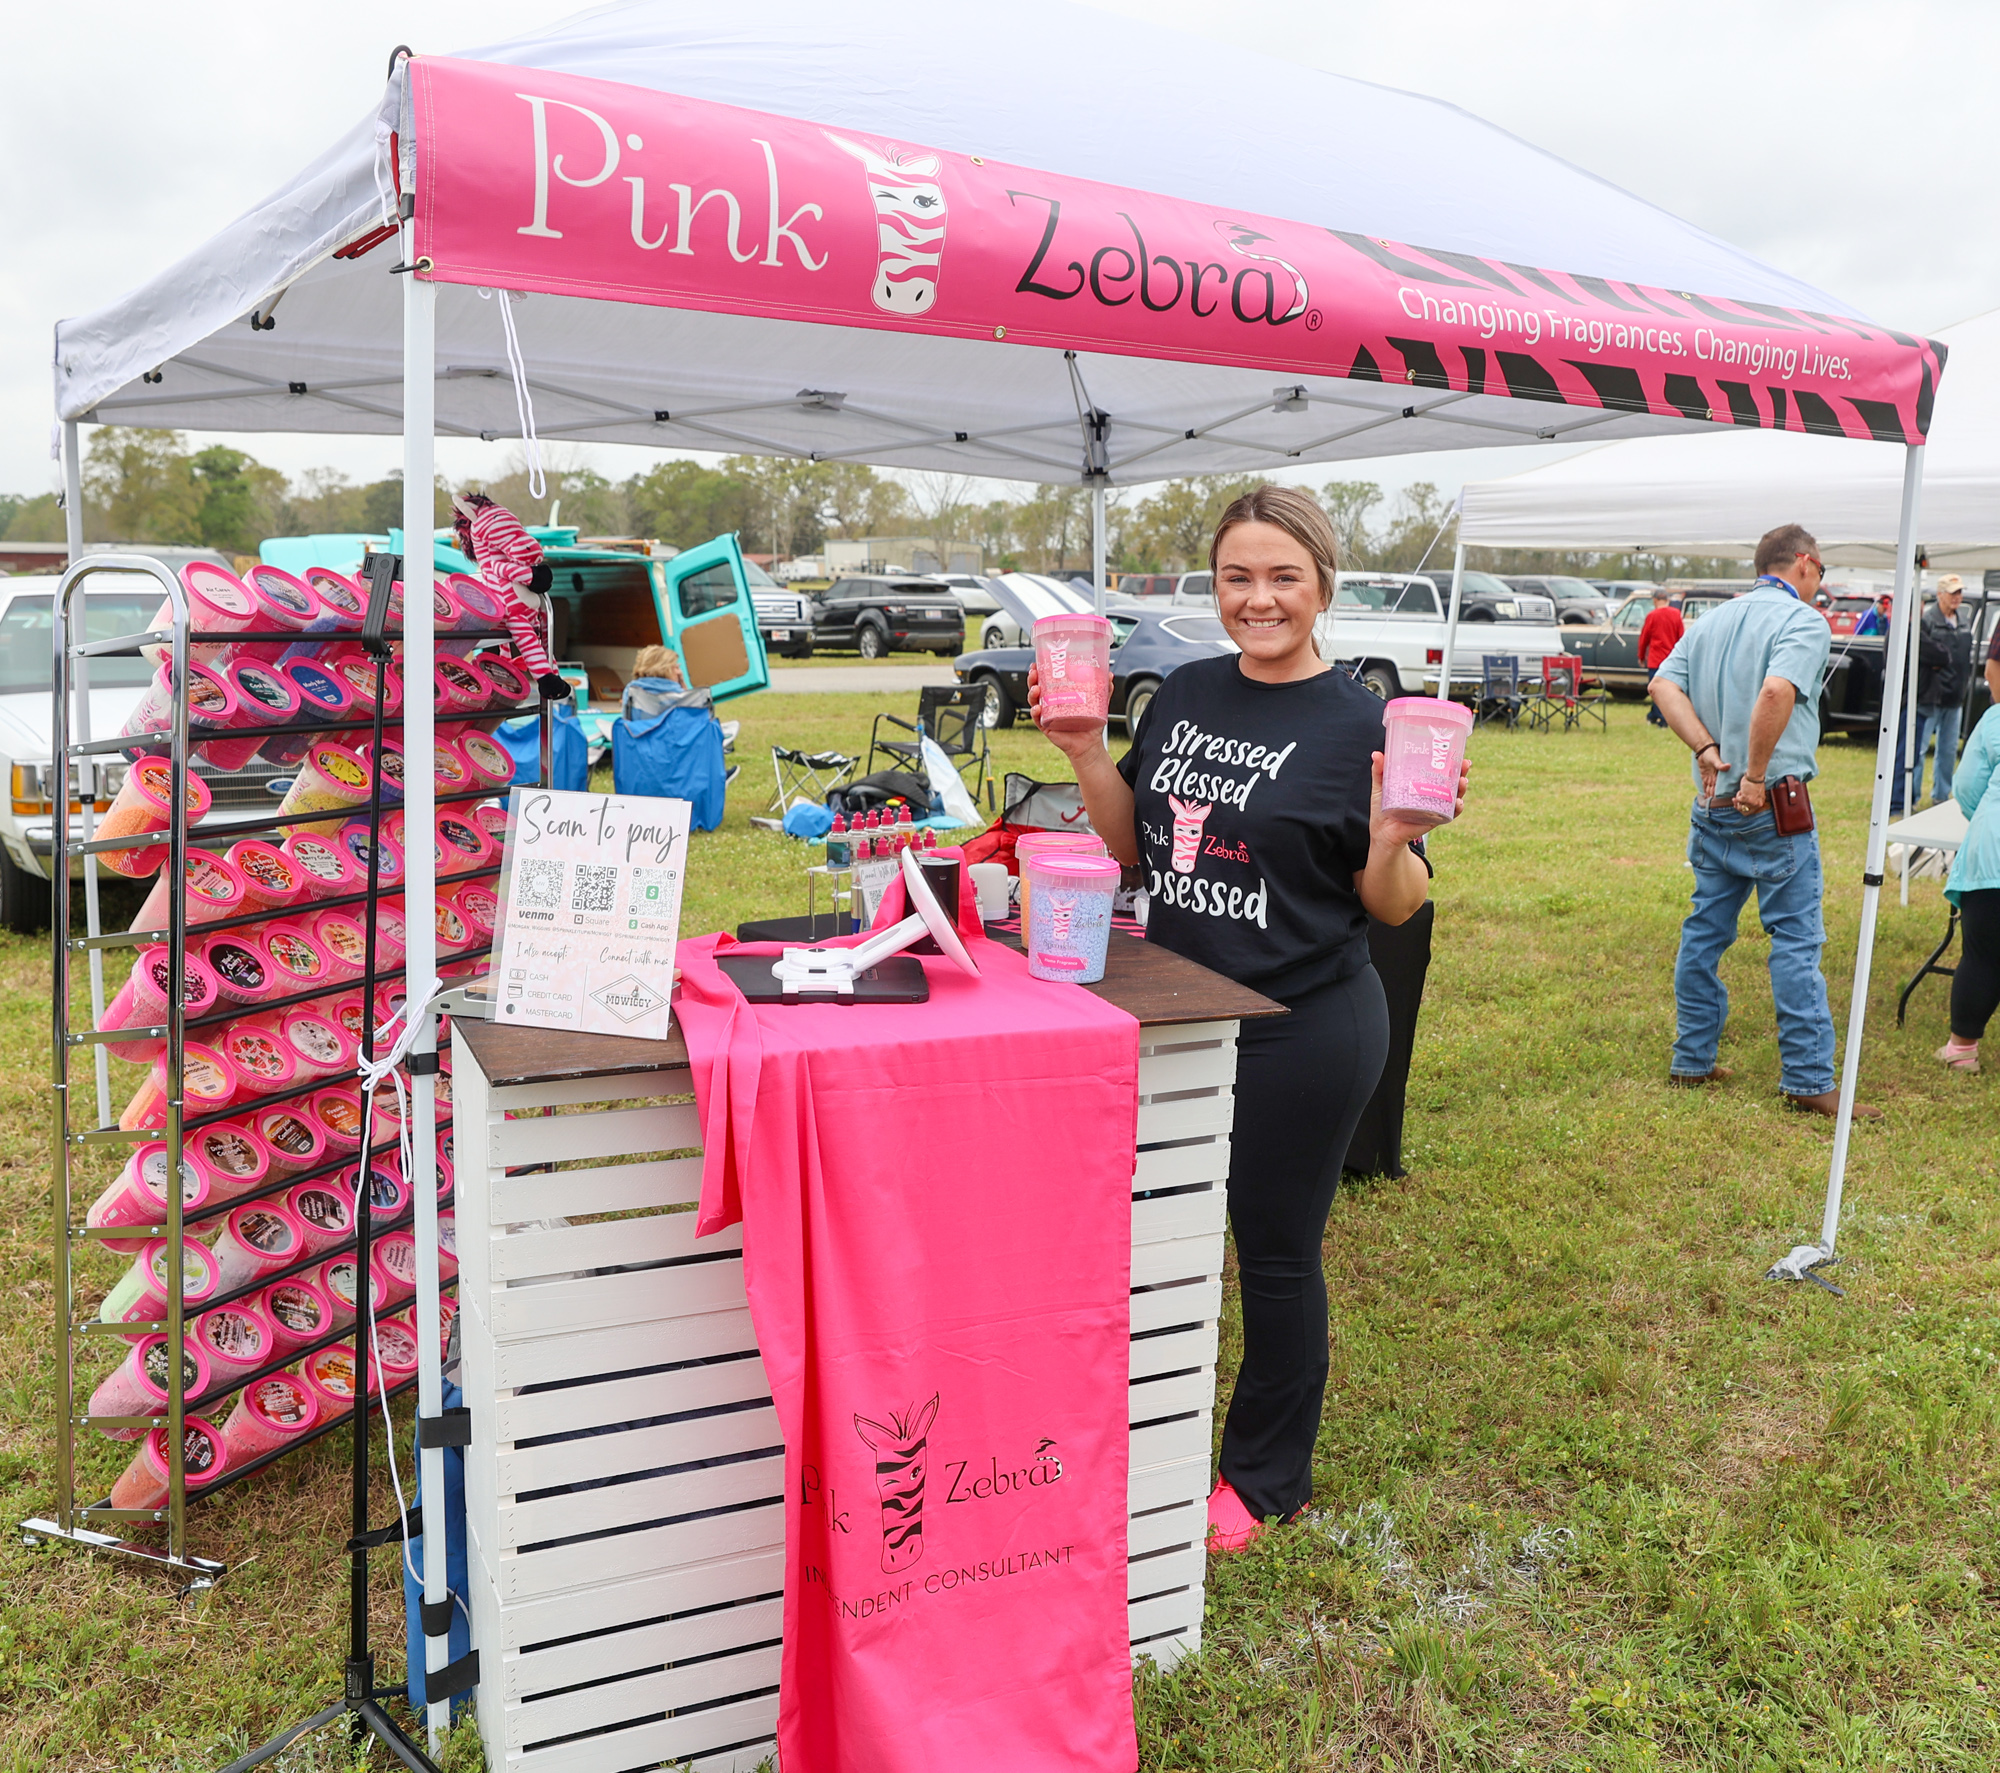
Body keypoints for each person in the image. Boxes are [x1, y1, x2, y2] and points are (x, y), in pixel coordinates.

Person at [1028, 484, 1468, 1553]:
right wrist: (1085, 751)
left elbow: (1395, 907)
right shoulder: (1182, 693)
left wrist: (1391, 839)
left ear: (1323, 586)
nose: (1258, 599)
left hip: (1300, 1023)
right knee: (1148, 1238)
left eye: (1283, 577)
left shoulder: (1366, 724)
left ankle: (1268, 1479)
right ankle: (1136, 1433)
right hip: (1177, 1014)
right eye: (1237, 577)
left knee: (1272, 1253)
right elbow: (1133, 851)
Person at [1649, 523, 1878, 1119]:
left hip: (1712, 804)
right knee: (1796, 940)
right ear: (1803, 562)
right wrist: (1754, 776)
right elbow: (1776, 692)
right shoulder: (1803, 620)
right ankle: (1807, 1078)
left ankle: (1691, 1059)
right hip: (1771, 802)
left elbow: (1662, 685)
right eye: (1821, 570)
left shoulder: (1713, 620)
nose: (1819, 581)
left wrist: (1704, 748)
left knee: (1704, 932)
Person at [1937, 702, 2000, 1072]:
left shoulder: (1995, 718)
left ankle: (1962, 1050)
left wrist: (1988, 816)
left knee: (1982, 955)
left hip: (1993, 855)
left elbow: (1966, 786)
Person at [1913, 575, 1974, 806]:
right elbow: (1924, 655)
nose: (1957, 597)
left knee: (1948, 750)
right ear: (1940, 594)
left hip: (1955, 696)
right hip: (1931, 696)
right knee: (1919, 750)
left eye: (1959, 592)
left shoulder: (1964, 621)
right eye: (1952, 592)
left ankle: (1941, 795)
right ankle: (1911, 796)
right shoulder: (1927, 621)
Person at [1637, 587, 1685, 727]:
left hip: (1655, 659)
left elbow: (1644, 638)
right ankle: (1652, 715)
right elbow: (1681, 637)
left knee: (1655, 691)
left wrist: (1641, 656)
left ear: (1655, 600)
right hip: (1671, 659)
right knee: (1668, 690)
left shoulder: (1652, 616)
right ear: (1667, 599)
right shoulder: (1676, 614)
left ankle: (1662, 718)